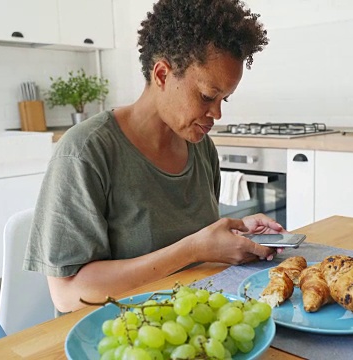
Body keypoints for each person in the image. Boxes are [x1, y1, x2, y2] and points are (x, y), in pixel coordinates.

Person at [24, 0, 283, 313]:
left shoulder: (200, 147)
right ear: (162, 74)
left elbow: (183, 237)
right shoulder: (86, 151)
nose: (216, 113)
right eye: (206, 96)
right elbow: (69, 294)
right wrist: (195, 248)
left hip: (191, 320)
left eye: (223, 99)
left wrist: (237, 231)